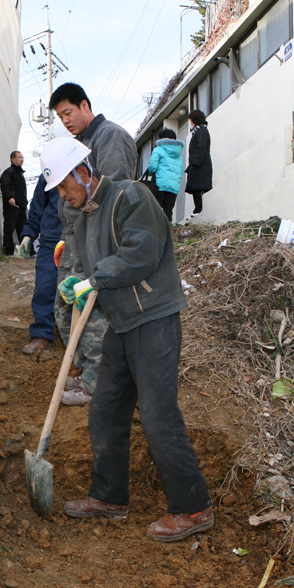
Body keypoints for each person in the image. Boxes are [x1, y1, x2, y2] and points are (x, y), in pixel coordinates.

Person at [39, 136, 213, 542]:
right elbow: (90, 265)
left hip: (153, 319)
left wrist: (94, 280)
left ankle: (194, 507)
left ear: (84, 173)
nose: (64, 196)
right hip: (122, 323)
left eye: (65, 186)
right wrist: (74, 281)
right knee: (106, 409)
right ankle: (110, 496)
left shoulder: (131, 195)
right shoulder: (87, 216)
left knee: (157, 415)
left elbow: (142, 252)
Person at [47, 82, 136, 407]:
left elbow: (114, 190)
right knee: (69, 305)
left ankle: (96, 381)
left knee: (93, 308)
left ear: (85, 105)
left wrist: (96, 238)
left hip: (96, 236)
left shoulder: (108, 136)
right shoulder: (79, 143)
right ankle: (85, 368)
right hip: (75, 235)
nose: (65, 120)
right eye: (60, 116)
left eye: (68, 112)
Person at [17, 173, 62, 355]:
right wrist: (28, 234)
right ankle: (42, 333)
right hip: (51, 240)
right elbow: (37, 206)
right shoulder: (49, 173)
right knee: (45, 287)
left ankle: (81, 339)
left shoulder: (87, 166)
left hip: (81, 239)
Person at [143, 128, 185, 223]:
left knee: (156, 208)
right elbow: (181, 170)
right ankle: (168, 230)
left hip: (160, 184)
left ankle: (156, 230)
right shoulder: (179, 154)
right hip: (174, 186)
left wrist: (150, 173)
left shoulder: (158, 149)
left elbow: (152, 165)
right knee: (168, 210)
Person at [184, 110, 212, 220]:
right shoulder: (199, 131)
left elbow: (201, 148)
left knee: (199, 187)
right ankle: (198, 209)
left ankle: (199, 210)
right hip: (198, 164)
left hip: (200, 165)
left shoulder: (202, 131)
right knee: (196, 187)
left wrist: (195, 163)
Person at [0, 151, 28, 256]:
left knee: (23, 229)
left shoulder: (21, 174)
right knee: (9, 228)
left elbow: (23, 191)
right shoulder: (8, 172)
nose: (22, 159)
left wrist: (25, 204)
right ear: (12, 159)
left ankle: (25, 251)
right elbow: (5, 186)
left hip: (21, 206)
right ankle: (9, 251)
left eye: (22, 157)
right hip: (11, 206)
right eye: (19, 157)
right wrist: (10, 197)